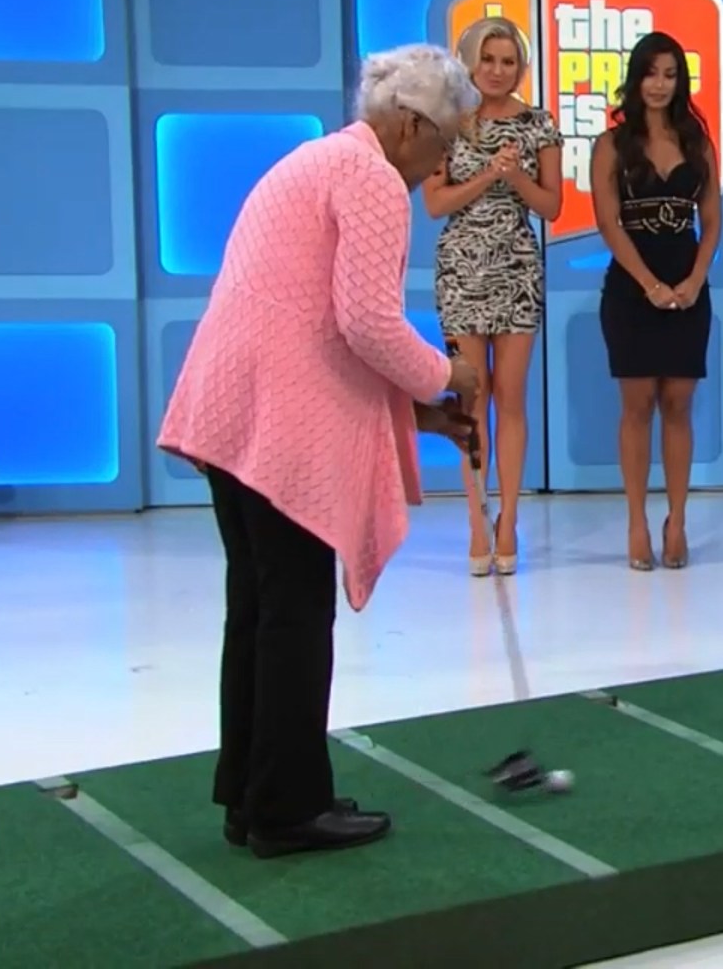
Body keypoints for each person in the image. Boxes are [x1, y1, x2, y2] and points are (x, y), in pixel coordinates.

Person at [157, 44, 484, 860]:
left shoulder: (313, 159)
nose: (441, 162)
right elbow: (366, 323)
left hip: (231, 414)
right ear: (410, 125)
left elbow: (319, 320)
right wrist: (451, 372)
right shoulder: (371, 177)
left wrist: (426, 414)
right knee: (296, 614)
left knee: (261, 612)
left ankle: (255, 794)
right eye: (444, 142)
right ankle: (289, 810)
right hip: (278, 426)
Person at [423, 16, 563, 577]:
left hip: (517, 269)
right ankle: (478, 524)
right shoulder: (448, 126)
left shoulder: (539, 125)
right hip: (461, 272)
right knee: (471, 400)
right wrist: (488, 176)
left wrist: (515, 176)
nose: (498, 71)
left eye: (508, 61)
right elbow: (435, 203)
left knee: (511, 397)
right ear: (469, 63)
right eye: (488, 60)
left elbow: (550, 206)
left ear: (520, 67)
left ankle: (508, 521)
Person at [591, 31, 722, 571]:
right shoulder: (612, 145)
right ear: (635, 79)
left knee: (678, 405)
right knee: (637, 405)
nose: (659, 85)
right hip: (631, 287)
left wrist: (693, 280)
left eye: (670, 75)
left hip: (687, 284)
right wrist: (648, 284)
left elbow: (711, 220)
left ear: (680, 81)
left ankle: (678, 521)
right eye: (650, 73)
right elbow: (608, 221)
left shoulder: (698, 142)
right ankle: (636, 523)